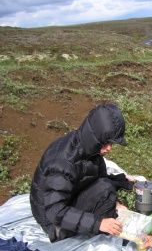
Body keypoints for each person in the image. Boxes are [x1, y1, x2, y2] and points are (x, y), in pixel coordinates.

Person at [30, 103, 132, 243]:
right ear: (95, 136)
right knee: (105, 189)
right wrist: (99, 223)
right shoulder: (63, 163)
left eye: (111, 143)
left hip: (68, 199)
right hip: (53, 223)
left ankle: (105, 225)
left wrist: (115, 204)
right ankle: (100, 237)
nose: (109, 148)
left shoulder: (90, 147)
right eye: (106, 142)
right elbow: (55, 211)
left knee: (106, 186)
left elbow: (99, 178)